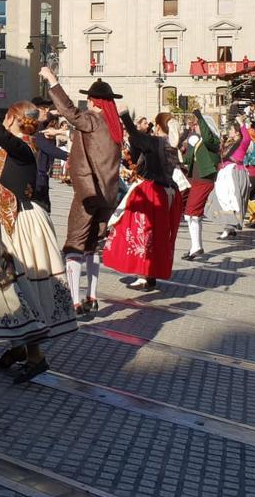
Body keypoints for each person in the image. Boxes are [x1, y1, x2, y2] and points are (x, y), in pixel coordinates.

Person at [0, 90, 76, 383]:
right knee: (7, 288)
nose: (3, 122)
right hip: (8, 223)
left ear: (14, 120)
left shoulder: (24, 146)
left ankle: (35, 356)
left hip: (22, 223)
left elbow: (2, 138)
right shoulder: (13, 151)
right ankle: (20, 347)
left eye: (6, 117)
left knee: (20, 288)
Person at [39, 66, 122, 317]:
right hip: (108, 196)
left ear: (92, 101)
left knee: (74, 245)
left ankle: (75, 301)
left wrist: (53, 81)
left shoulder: (93, 119)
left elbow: (71, 113)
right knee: (94, 246)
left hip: (89, 194)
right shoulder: (114, 126)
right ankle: (92, 296)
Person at [104, 110, 182, 289]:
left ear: (159, 127)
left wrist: (123, 115)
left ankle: (143, 276)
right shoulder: (172, 144)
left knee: (140, 232)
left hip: (152, 192)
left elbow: (134, 133)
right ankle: (151, 273)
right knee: (158, 236)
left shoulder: (156, 142)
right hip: (168, 192)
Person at [179, 108, 221, 261]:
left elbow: (208, 136)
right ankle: (195, 246)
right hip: (195, 180)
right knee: (190, 215)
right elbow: (187, 160)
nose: (195, 127)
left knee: (193, 214)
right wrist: (184, 143)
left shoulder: (212, 141)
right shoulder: (197, 142)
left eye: (197, 124)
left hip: (204, 181)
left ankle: (196, 247)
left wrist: (199, 116)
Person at [31, 97, 69, 211]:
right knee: (41, 211)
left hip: (42, 175)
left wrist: (55, 113)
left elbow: (47, 118)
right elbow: (49, 149)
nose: (46, 110)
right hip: (36, 179)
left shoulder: (40, 125)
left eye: (47, 108)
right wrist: (71, 156)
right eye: (43, 108)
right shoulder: (34, 129)